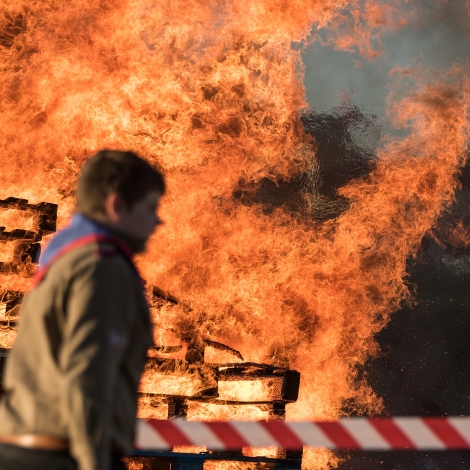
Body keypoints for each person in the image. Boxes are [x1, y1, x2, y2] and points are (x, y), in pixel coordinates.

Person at [0, 150, 165, 470]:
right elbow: (87, 377)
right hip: (65, 457)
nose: (157, 221)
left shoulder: (64, 259)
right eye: (149, 209)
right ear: (116, 205)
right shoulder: (102, 267)